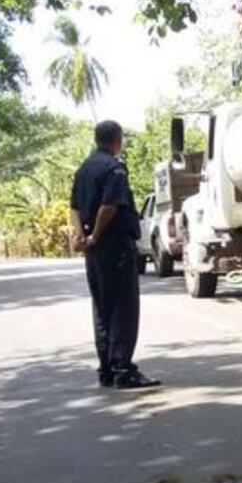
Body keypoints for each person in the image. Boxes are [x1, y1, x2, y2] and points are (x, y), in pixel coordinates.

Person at [69, 120, 160, 390]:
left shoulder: (84, 169)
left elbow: (74, 207)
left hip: (94, 250)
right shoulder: (114, 168)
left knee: (102, 307)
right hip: (114, 245)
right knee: (122, 308)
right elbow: (109, 206)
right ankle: (123, 369)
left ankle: (107, 368)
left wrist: (81, 236)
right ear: (117, 140)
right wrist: (96, 234)